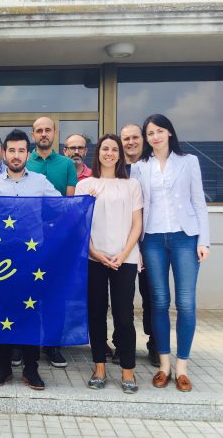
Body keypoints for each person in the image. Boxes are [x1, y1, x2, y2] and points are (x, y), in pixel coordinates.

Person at [131, 114, 210, 393]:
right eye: (150, 133)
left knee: (186, 303)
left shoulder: (189, 161)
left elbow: (199, 202)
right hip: (152, 239)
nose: (155, 137)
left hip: (184, 238)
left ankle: (182, 367)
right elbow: (136, 207)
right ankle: (164, 366)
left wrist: (204, 241)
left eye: (159, 131)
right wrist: (137, 246)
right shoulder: (139, 166)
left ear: (169, 133)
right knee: (159, 302)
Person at [0, 129, 61, 391]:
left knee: (30, 311)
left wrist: (87, 194)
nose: (16, 155)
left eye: (21, 151)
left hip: (31, 259)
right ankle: (2, 367)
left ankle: (31, 368)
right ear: (4, 154)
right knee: (2, 311)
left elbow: (64, 205)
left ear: (28, 153)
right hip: (1, 259)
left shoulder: (40, 182)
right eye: (12, 151)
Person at [75, 134, 143, 394]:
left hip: (125, 259)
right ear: (98, 152)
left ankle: (128, 370)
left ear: (120, 155)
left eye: (115, 149)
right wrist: (95, 252)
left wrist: (123, 254)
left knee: (124, 315)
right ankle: (99, 368)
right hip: (94, 258)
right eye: (105, 148)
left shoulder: (131, 185)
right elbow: (80, 225)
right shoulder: (85, 185)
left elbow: (137, 224)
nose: (110, 153)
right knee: (96, 313)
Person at [25, 116, 77, 368]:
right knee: (27, 291)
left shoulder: (67, 164)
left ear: (55, 133)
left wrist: (57, 228)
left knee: (55, 294)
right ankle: (24, 344)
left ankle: (53, 345)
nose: (43, 134)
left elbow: (69, 203)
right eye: (39, 130)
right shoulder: (25, 161)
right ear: (33, 135)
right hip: (28, 239)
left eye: (48, 130)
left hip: (57, 239)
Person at [120, 123, 158, 367]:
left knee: (152, 295)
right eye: (126, 138)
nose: (131, 142)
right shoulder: (117, 168)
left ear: (143, 140)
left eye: (135, 137)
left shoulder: (153, 167)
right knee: (122, 298)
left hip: (149, 239)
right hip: (120, 241)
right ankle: (122, 345)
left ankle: (155, 344)